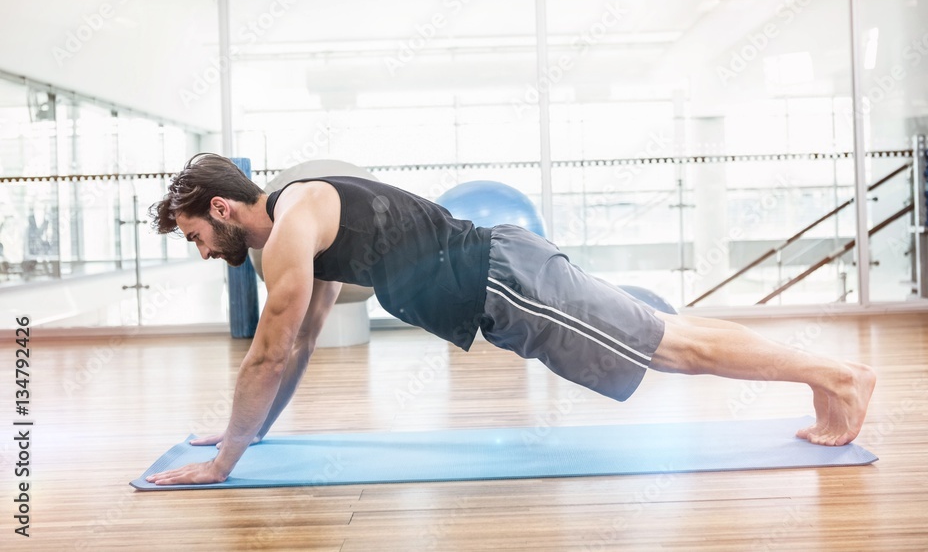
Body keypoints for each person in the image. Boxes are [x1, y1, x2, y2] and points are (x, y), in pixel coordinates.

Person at [145, 153, 876, 486]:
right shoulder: (302, 219)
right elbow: (298, 344)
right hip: (506, 278)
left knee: (669, 346)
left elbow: (268, 353)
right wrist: (252, 433)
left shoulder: (294, 226)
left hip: (505, 284)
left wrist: (223, 463)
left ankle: (836, 374)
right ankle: (825, 376)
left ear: (220, 208)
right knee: (667, 336)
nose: (203, 250)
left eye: (193, 235)